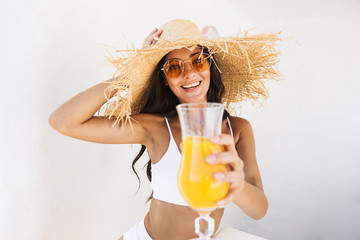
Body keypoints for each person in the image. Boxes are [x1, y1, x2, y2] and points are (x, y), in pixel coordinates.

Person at [48, 19, 281, 240]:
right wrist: (129, 74)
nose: (189, 73)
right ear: (165, 81)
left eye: (198, 60)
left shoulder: (237, 129)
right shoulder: (156, 127)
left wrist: (237, 184)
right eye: (173, 67)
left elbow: (259, 210)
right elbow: (63, 121)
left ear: (210, 66)